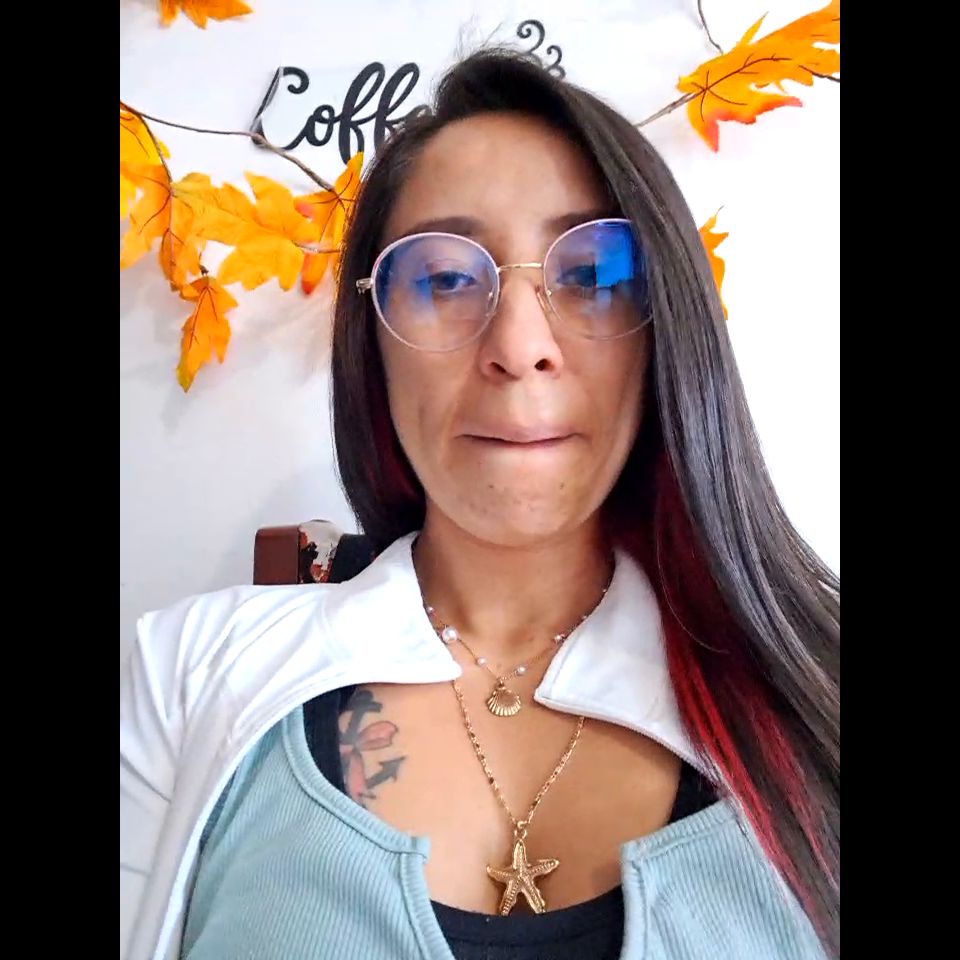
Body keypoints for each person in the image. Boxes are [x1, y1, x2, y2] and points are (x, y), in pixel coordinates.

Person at [120, 48, 839, 960]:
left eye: (593, 273)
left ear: (667, 328)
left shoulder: (816, 688)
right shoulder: (183, 675)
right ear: (372, 340)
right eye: (446, 280)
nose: (520, 345)